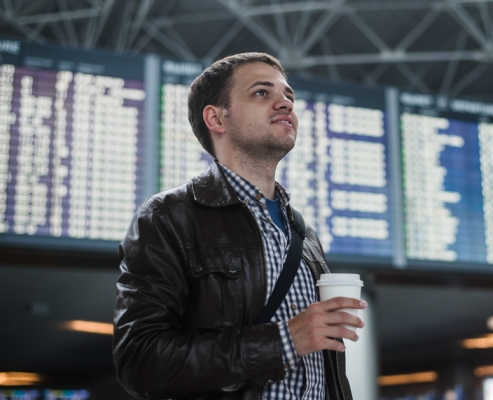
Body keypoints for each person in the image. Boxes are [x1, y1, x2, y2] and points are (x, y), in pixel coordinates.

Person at [113, 52, 365, 399]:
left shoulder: (303, 234)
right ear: (216, 118)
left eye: (288, 95)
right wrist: (284, 341)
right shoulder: (168, 217)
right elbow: (140, 361)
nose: (285, 104)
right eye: (262, 93)